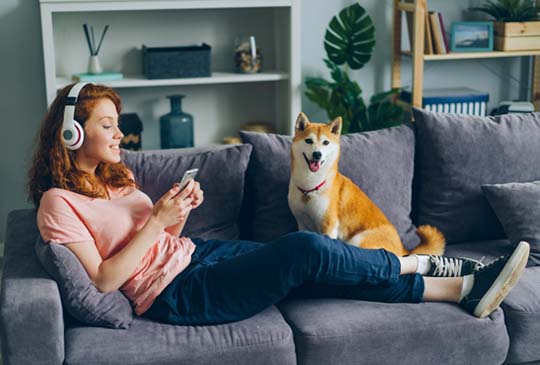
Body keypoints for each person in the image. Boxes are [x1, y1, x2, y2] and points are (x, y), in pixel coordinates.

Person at [28, 83, 530, 326]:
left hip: (193, 256)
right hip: (174, 295)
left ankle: (459, 289)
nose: (120, 133)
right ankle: (437, 267)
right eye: (107, 125)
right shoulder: (57, 202)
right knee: (303, 250)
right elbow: (104, 280)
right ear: (72, 133)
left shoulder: (118, 177)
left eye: (118, 122)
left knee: (312, 269)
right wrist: (155, 220)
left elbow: (161, 240)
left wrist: (173, 216)